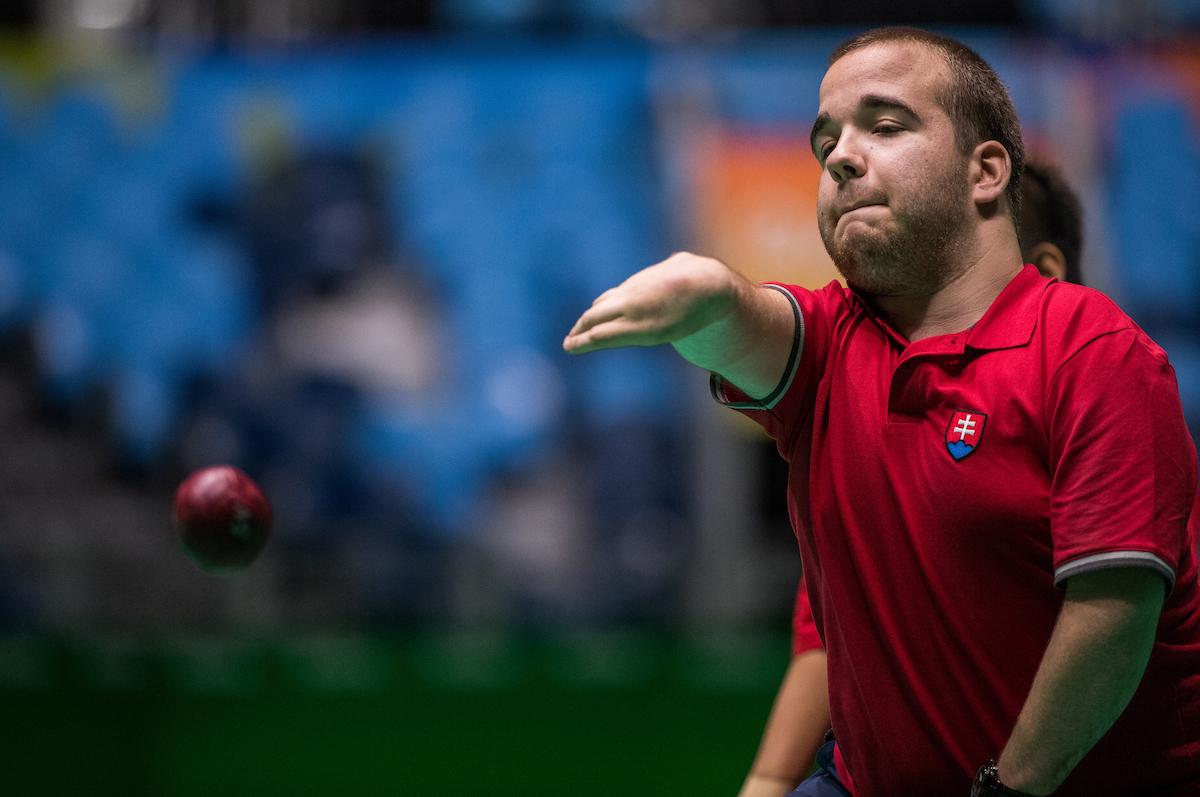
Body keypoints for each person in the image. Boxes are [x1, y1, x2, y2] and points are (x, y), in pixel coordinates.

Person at [563, 26, 1200, 797]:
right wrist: (705, 295)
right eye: (824, 140)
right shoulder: (831, 345)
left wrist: (1011, 789)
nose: (839, 156)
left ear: (987, 170)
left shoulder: (1096, 353)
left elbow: (1113, 615)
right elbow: (749, 323)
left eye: (886, 125)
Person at [736, 154, 1092, 797]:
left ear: (1040, 274)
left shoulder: (1105, 385)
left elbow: (1115, 621)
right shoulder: (861, 429)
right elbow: (827, 646)